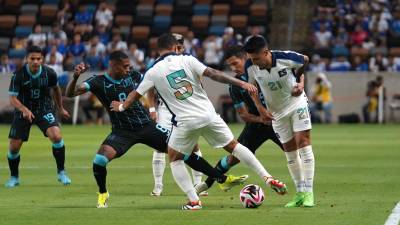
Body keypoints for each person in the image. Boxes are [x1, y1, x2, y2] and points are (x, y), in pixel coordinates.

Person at [110, 33, 288, 210]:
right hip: (209, 114)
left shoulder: (153, 71)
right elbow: (214, 73)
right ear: (174, 47)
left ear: (160, 49)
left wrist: (121, 107)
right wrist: (241, 83)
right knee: (235, 146)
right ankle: (267, 177)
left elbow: (135, 95)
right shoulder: (188, 59)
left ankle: (194, 201)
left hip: (185, 121)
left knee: (175, 158)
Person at [66, 50, 246, 208]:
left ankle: (221, 179)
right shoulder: (98, 81)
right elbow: (70, 94)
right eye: (125, 66)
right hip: (122, 131)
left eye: (130, 66)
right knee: (99, 160)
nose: (129, 69)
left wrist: (155, 108)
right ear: (113, 65)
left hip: (146, 126)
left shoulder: (134, 75)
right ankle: (103, 193)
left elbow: (152, 85)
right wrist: (75, 78)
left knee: (182, 152)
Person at [196, 45, 285, 193]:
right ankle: (207, 184)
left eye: (235, 63)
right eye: (230, 65)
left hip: (278, 122)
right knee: (234, 157)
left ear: (245, 58)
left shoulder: (263, 71)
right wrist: (261, 119)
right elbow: (243, 115)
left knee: (294, 152)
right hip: (256, 126)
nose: (233, 68)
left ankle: (304, 189)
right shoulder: (235, 86)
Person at [243, 36, 316, 207]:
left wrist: (300, 82)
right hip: (276, 113)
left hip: (296, 103)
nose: (254, 62)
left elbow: (305, 60)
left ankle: (309, 192)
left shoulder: (286, 57)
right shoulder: (250, 66)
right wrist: (261, 109)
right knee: (289, 151)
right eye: (251, 59)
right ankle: (299, 193)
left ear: (266, 53)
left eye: (256, 58)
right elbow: (251, 89)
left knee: (303, 143)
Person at [146, 33, 206, 197]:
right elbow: (149, 89)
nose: (178, 49)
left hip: (187, 109)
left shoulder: (188, 60)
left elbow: (199, 85)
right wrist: (152, 110)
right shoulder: (157, 64)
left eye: (181, 46)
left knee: (193, 145)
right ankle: (158, 186)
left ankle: (198, 183)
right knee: (159, 144)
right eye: (176, 46)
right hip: (166, 110)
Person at [6, 45, 71, 188]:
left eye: (38, 58)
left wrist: (60, 108)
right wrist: (24, 109)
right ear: (26, 59)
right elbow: (12, 99)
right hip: (23, 111)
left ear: (42, 59)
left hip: (44, 109)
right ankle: (14, 177)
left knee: (56, 136)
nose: (35, 61)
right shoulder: (18, 75)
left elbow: (56, 90)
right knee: (14, 147)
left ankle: (61, 172)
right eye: (32, 58)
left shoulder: (50, 73)